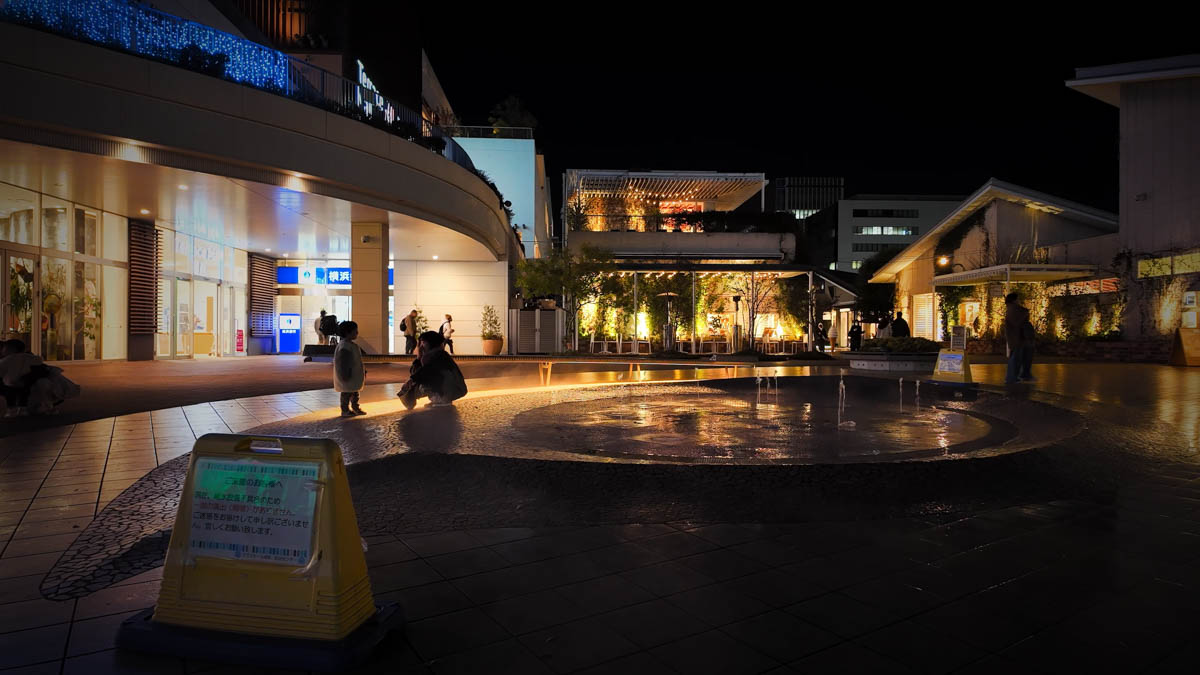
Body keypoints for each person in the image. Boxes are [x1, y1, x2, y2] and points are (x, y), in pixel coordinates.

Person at [397, 331, 467, 410]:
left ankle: (441, 398)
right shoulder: (432, 355)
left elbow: (427, 370)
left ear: (428, 343)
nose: (420, 346)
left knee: (420, 383)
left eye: (421, 343)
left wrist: (411, 379)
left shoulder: (440, 355)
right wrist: (419, 357)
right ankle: (439, 397)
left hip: (452, 389)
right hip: (450, 389)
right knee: (418, 381)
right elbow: (416, 371)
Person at [333, 321, 366, 417]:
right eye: (355, 331)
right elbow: (343, 362)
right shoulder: (344, 346)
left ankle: (355, 408)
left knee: (355, 392)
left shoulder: (349, 345)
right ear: (347, 332)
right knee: (346, 393)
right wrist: (345, 374)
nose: (357, 333)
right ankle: (345, 410)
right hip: (348, 374)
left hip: (354, 374)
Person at [1004, 292, 1036, 384]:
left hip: (1018, 338)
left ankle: (1022, 375)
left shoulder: (1011, 309)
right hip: (1017, 337)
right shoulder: (1014, 309)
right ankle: (1012, 377)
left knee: (1021, 357)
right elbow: (1018, 321)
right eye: (1017, 299)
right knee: (1016, 358)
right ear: (1014, 300)